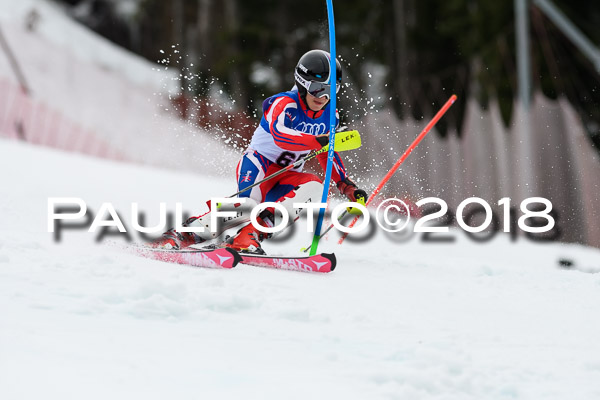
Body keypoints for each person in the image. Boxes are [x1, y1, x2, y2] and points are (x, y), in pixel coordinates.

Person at [154, 49, 367, 254]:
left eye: (331, 90)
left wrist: (345, 185)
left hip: (288, 175)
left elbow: (326, 152)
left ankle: (247, 237)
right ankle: (183, 235)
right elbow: (280, 135)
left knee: (315, 189)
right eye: (318, 88)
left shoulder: (330, 115)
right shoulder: (284, 104)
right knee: (246, 208)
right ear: (302, 83)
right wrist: (319, 140)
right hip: (260, 167)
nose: (323, 97)